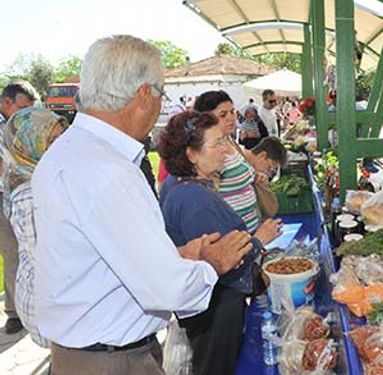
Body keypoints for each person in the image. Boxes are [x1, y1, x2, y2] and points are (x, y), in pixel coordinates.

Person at [31, 35, 252, 374]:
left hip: (84, 352)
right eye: (161, 93)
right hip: (111, 360)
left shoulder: (67, 152)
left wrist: (177, 257)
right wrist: (213, 264)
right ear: (144, 94)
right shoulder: (108, 171)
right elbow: (169, 290)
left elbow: (102, 262)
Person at [158, 111, 282, 375]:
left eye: (226, 141)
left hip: (203, 306)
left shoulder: (179, 185)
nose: (227, 150)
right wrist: (260, 239)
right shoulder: (195, 200)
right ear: (192, 154)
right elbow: (228, 260)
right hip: (215, 309)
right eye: (217, 144)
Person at [2, 107, 68, 346]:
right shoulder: (28, 193)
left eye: (63, 136)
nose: (61, 144)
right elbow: (43, 257)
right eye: (51, 139)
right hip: (48, 300)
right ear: (28, 144)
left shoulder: (42, 174)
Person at [0, 81, 38, 334]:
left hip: (21, 194)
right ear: (6, 103)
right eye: (22, 107)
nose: (26, 114)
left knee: (28, 250)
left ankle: (28, 308)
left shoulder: (22, 126)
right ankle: (15, 312)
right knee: (12, 250)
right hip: (5, 194)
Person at [194, 90, 262, 232]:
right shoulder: (207, 153)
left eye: (232, 112)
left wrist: (254, 176)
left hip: (251, 231)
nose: (231, 118)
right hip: (230, 236)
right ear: (206, 119)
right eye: (223, 114)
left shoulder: (230, 141)